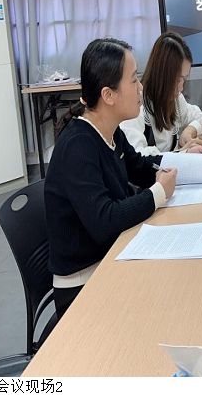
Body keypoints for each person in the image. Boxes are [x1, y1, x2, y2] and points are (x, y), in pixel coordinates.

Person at [45, 38, 177, 318]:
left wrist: (184, 164)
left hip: (112, 256)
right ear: (108, 95)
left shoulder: (110, 130)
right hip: (84, 285)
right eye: (134, 80)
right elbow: (105, 221)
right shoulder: (78, 146)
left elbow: (139, 167)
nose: (141, 88)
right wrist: (158, 193)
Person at [121, 32, 202, 155]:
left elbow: (199, 117)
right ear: (162, 75)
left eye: (184, 79)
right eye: (177, 80)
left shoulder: (176, 100)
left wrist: (189, 132)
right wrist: (182, 154)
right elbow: (138, 157)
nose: (181, 87)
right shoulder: (136, 107)